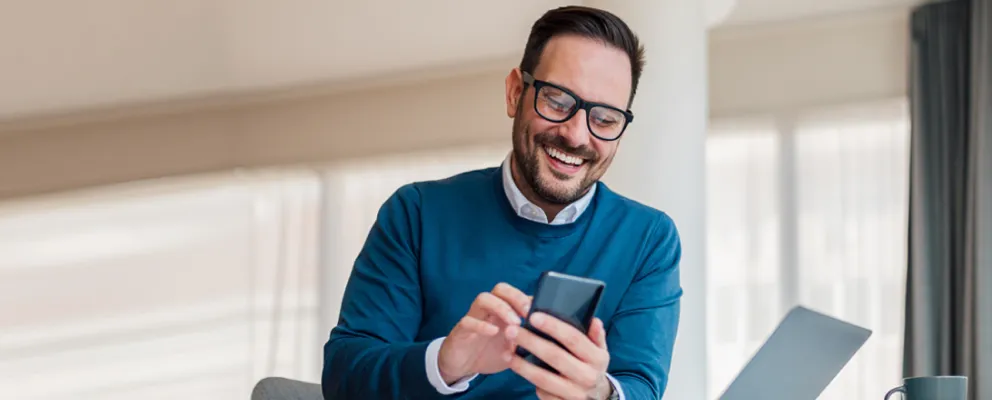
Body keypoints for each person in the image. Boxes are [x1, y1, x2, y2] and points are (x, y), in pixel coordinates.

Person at [321, 5, 682, 400]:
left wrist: (599, 393)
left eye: (606, 119)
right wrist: (445, 362)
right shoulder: (417, 213)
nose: (577, 135)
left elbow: (642, 386)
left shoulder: (649, 239)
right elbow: (344, 375)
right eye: (558, 100)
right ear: (515, 93)